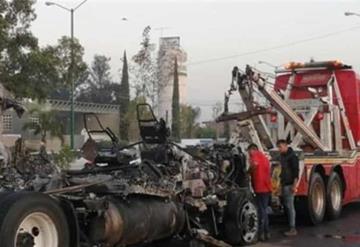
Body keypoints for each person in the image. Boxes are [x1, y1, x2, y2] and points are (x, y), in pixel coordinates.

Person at [247, 143, 272, 241]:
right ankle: (267, 232)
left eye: (249, 152)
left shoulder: (255, 155)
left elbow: (254, 165)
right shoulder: (265, 158)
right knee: (264, 210)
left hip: (260, 188)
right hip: (266, 187)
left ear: (253, 150)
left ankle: (261, 233)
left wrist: (247, 172)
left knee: (261, 211)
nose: (249, 154)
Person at [276, 139, 299, 237]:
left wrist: (294, 186)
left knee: (290, 207)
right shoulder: (282, 157)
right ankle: (290, 226)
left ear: (285, 146)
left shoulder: (292, 157)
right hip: (284, 184)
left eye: (280, 147)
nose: (279, 149)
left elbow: (296, 172)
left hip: (289, 185)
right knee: (287, 206)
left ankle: (292, 228)